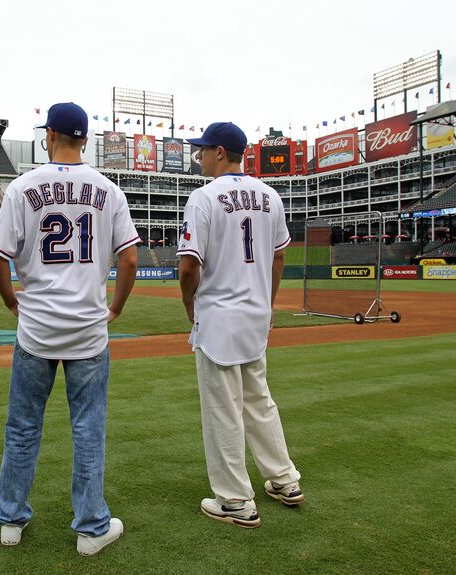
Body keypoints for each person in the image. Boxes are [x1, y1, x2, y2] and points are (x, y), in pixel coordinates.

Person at [0, 102, 139, 555]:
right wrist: (115, 309)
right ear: (85, 140)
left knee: (22, 427)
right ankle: (91, 529)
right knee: (88, 428)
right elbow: (129, 257)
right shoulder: (108, 189)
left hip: (35, 330)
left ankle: (11, 520)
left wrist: (13, 300)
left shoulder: (23, 186)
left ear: (49, 135)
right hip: (88, 331)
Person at [177, 122, 303, 529]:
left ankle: (234, 500)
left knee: (223, 410)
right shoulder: (270, 195)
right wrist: (266, 303)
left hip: (218, 316)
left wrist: (189, 303)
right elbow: (279, 258)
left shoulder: (203, 197)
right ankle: (283, 479)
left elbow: (188, 265)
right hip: (255, 315)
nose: (199, 157)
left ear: (219, 152)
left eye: (202, 150)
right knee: (259, 401)